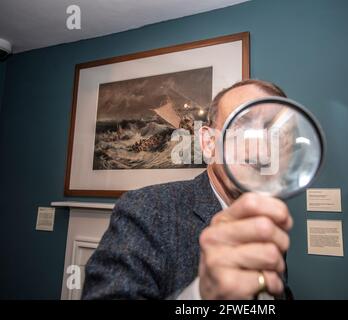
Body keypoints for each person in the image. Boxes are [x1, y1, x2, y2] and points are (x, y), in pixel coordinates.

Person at [82, 79, 294, 300]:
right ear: (209, 143)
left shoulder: (267, 223)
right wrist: (201, 295)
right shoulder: (146, 210)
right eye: (242, 127)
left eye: (275, 133)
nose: (262, 150)